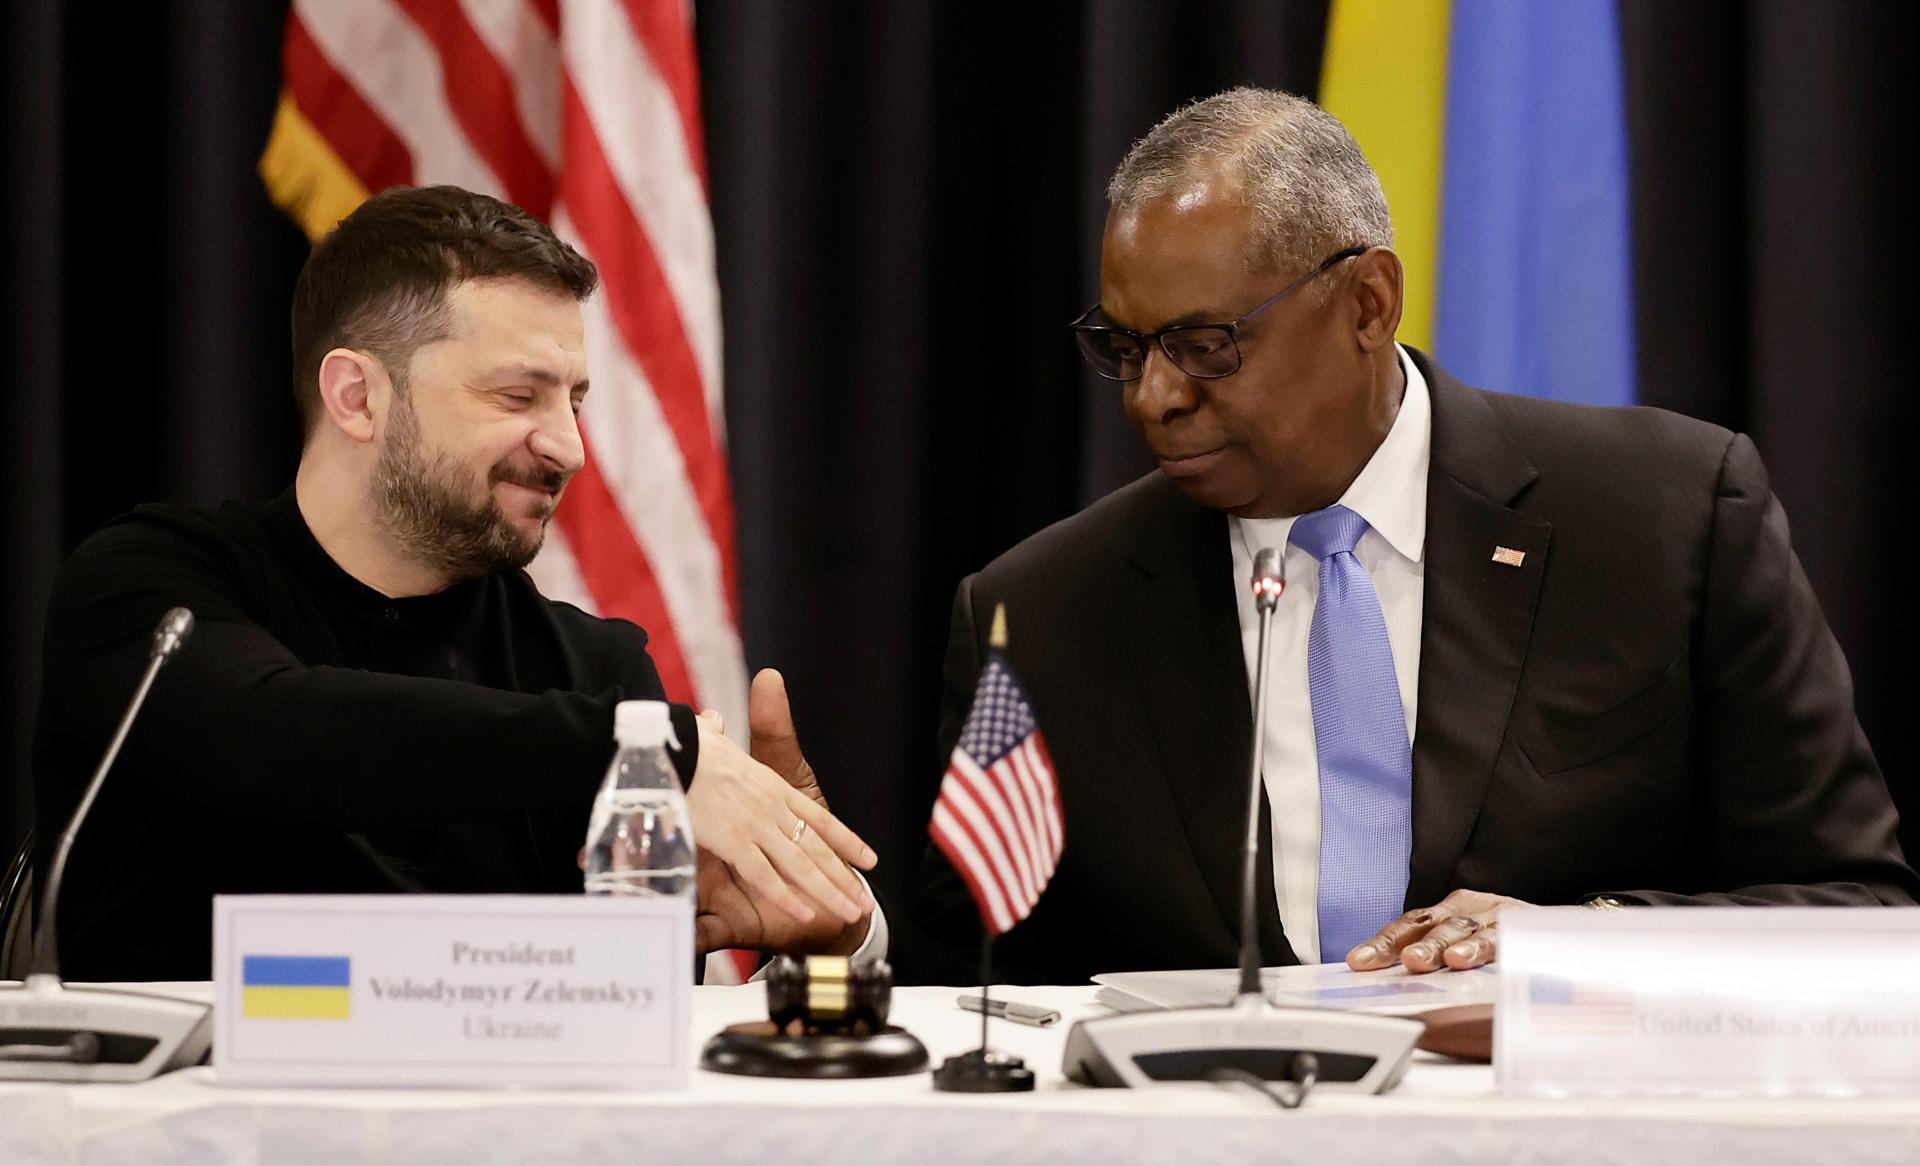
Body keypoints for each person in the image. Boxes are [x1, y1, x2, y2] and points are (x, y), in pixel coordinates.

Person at [907, 88, 1916, 986]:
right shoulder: (1035, 613)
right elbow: (973, 993)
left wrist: (1581, 945)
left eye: (1206, 344)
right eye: (1123, 349)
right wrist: (839, 926)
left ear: (1367, 303)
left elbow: (1862, 915)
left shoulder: (1669, 519)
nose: (1155, 398)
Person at [33, 185, 880, 982]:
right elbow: (268, 733)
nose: (568, 446)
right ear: (358, 396)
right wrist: (643, 750)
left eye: (575, 401)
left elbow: (632, 1017)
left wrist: (825, 924)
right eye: (520, 395)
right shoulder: (150, 589)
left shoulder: (593, 672)